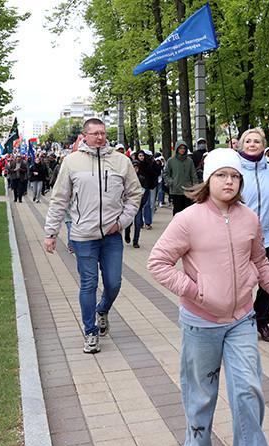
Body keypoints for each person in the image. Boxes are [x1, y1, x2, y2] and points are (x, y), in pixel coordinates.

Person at [147, 149, 269, 446]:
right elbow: (158, 263)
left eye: (235, 176)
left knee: (248, 390)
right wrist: (195, 291)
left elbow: (259, 262)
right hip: (200, 322)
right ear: (208, 179)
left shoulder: (249, 218)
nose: (230, 181)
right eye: (222, 175)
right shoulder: (188, 219)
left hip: (241, 318)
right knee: (201, 392)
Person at [43, 118, 142, 354]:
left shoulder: (121, 161)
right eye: (95, 133)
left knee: (114, 282)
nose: (100, 137)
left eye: (103, 133)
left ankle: (103, 308)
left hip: (111, 234)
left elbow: (135, 195)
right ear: (84, 136)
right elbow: (59, 199)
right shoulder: (72, 162)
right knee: (88, 284)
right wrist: (51, 232)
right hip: (82, 234)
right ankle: (90, 332)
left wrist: (121, 222)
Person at [238, 129, 269, 342]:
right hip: (240, 235)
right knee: (242, 281)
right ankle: (240, 322)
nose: (252, 144)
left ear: (263, 145)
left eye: (257, 141)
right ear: (241, 145)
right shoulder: (235, 169)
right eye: (248, 141)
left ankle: (261, 319)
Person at [162, 140, 199, 215]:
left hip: (187, 190)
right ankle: (176, 226)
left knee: (187, 212)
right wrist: (172, 182)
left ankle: (186, 226)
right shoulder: (171, 161)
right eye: (180, 148)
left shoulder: (189, 161)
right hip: (176, 191)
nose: (182, 150)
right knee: (177, 211)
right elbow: (166, 174)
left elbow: (193, 175)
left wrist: (196, 187)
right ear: (177, 149)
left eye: (184, 148)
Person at [124, 161, 149, 249]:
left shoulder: (142, 179)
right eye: (134, 167)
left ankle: (136, 241)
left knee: (138, 223)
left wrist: (142, 202)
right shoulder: (128, 178)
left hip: (139, 205)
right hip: (130, 204)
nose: (135, 170)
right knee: (129, 222)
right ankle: (127, 233)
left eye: (137, 168)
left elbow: (146, 191)